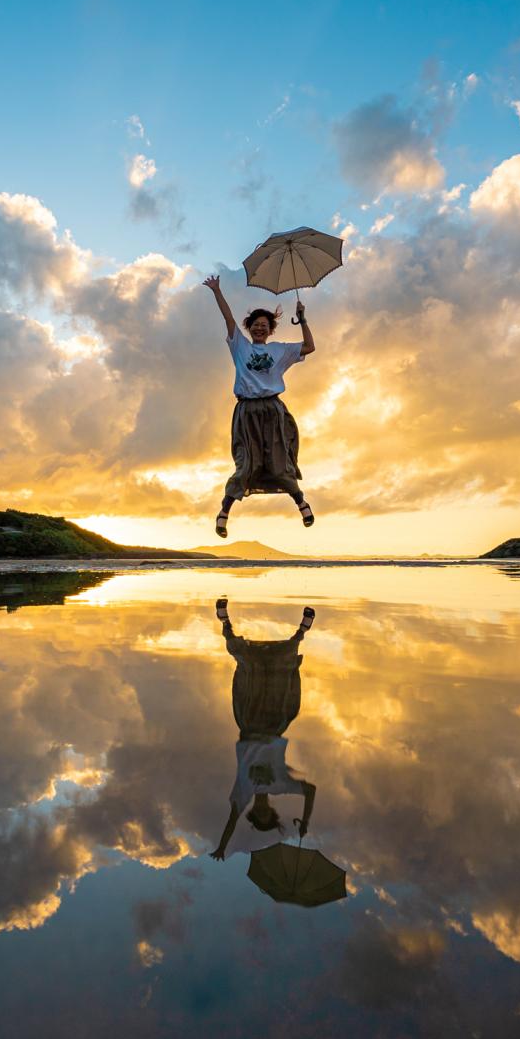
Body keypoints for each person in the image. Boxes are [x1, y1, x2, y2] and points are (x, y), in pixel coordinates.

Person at [202, 274, 316, 538]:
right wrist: (217, 291)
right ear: (249, 327)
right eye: (255, 324)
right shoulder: (239, 346)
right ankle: (224, 513)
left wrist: (303, 319)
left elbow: (310, 346)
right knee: (246, 462)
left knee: (279, 461)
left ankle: (301, 503)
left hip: (273, 411)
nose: (260, 328)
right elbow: (228, 319)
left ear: (270, 329)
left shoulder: (280, 350)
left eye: (264, 325)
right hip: (247, 412)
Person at [209, 599, 318, 860]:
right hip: (273, 725)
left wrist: (224, 847)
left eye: (258, 816)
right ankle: (302, 631)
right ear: (271, 812)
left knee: (250, 667)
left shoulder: (243, 794)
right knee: (280, 670)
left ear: (253, 813)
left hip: (248, 724)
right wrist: (305, 821)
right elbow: (311, 791)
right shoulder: (280, 785)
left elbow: (231, 820)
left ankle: (225, 622)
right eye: (267, 815)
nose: (262, 813)